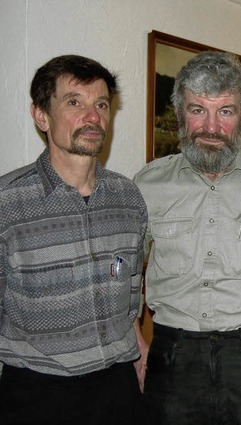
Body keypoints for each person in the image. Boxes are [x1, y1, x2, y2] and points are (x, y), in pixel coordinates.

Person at [134, 51, 241, 424]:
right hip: (171, 359)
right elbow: (122, 278)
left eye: (225, 112)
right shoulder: (147, 184)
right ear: (180, 114)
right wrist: (137, 348)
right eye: (198, 110)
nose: (210, 127)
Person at [0, 55, 148, 424]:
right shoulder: (7, 203)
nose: (93, 116)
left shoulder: (129, 199)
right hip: (35, 395)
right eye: (74, 102)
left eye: (100, 104)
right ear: (41, 116)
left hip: (118, 390)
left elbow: (131, 299)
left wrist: (142, 358)